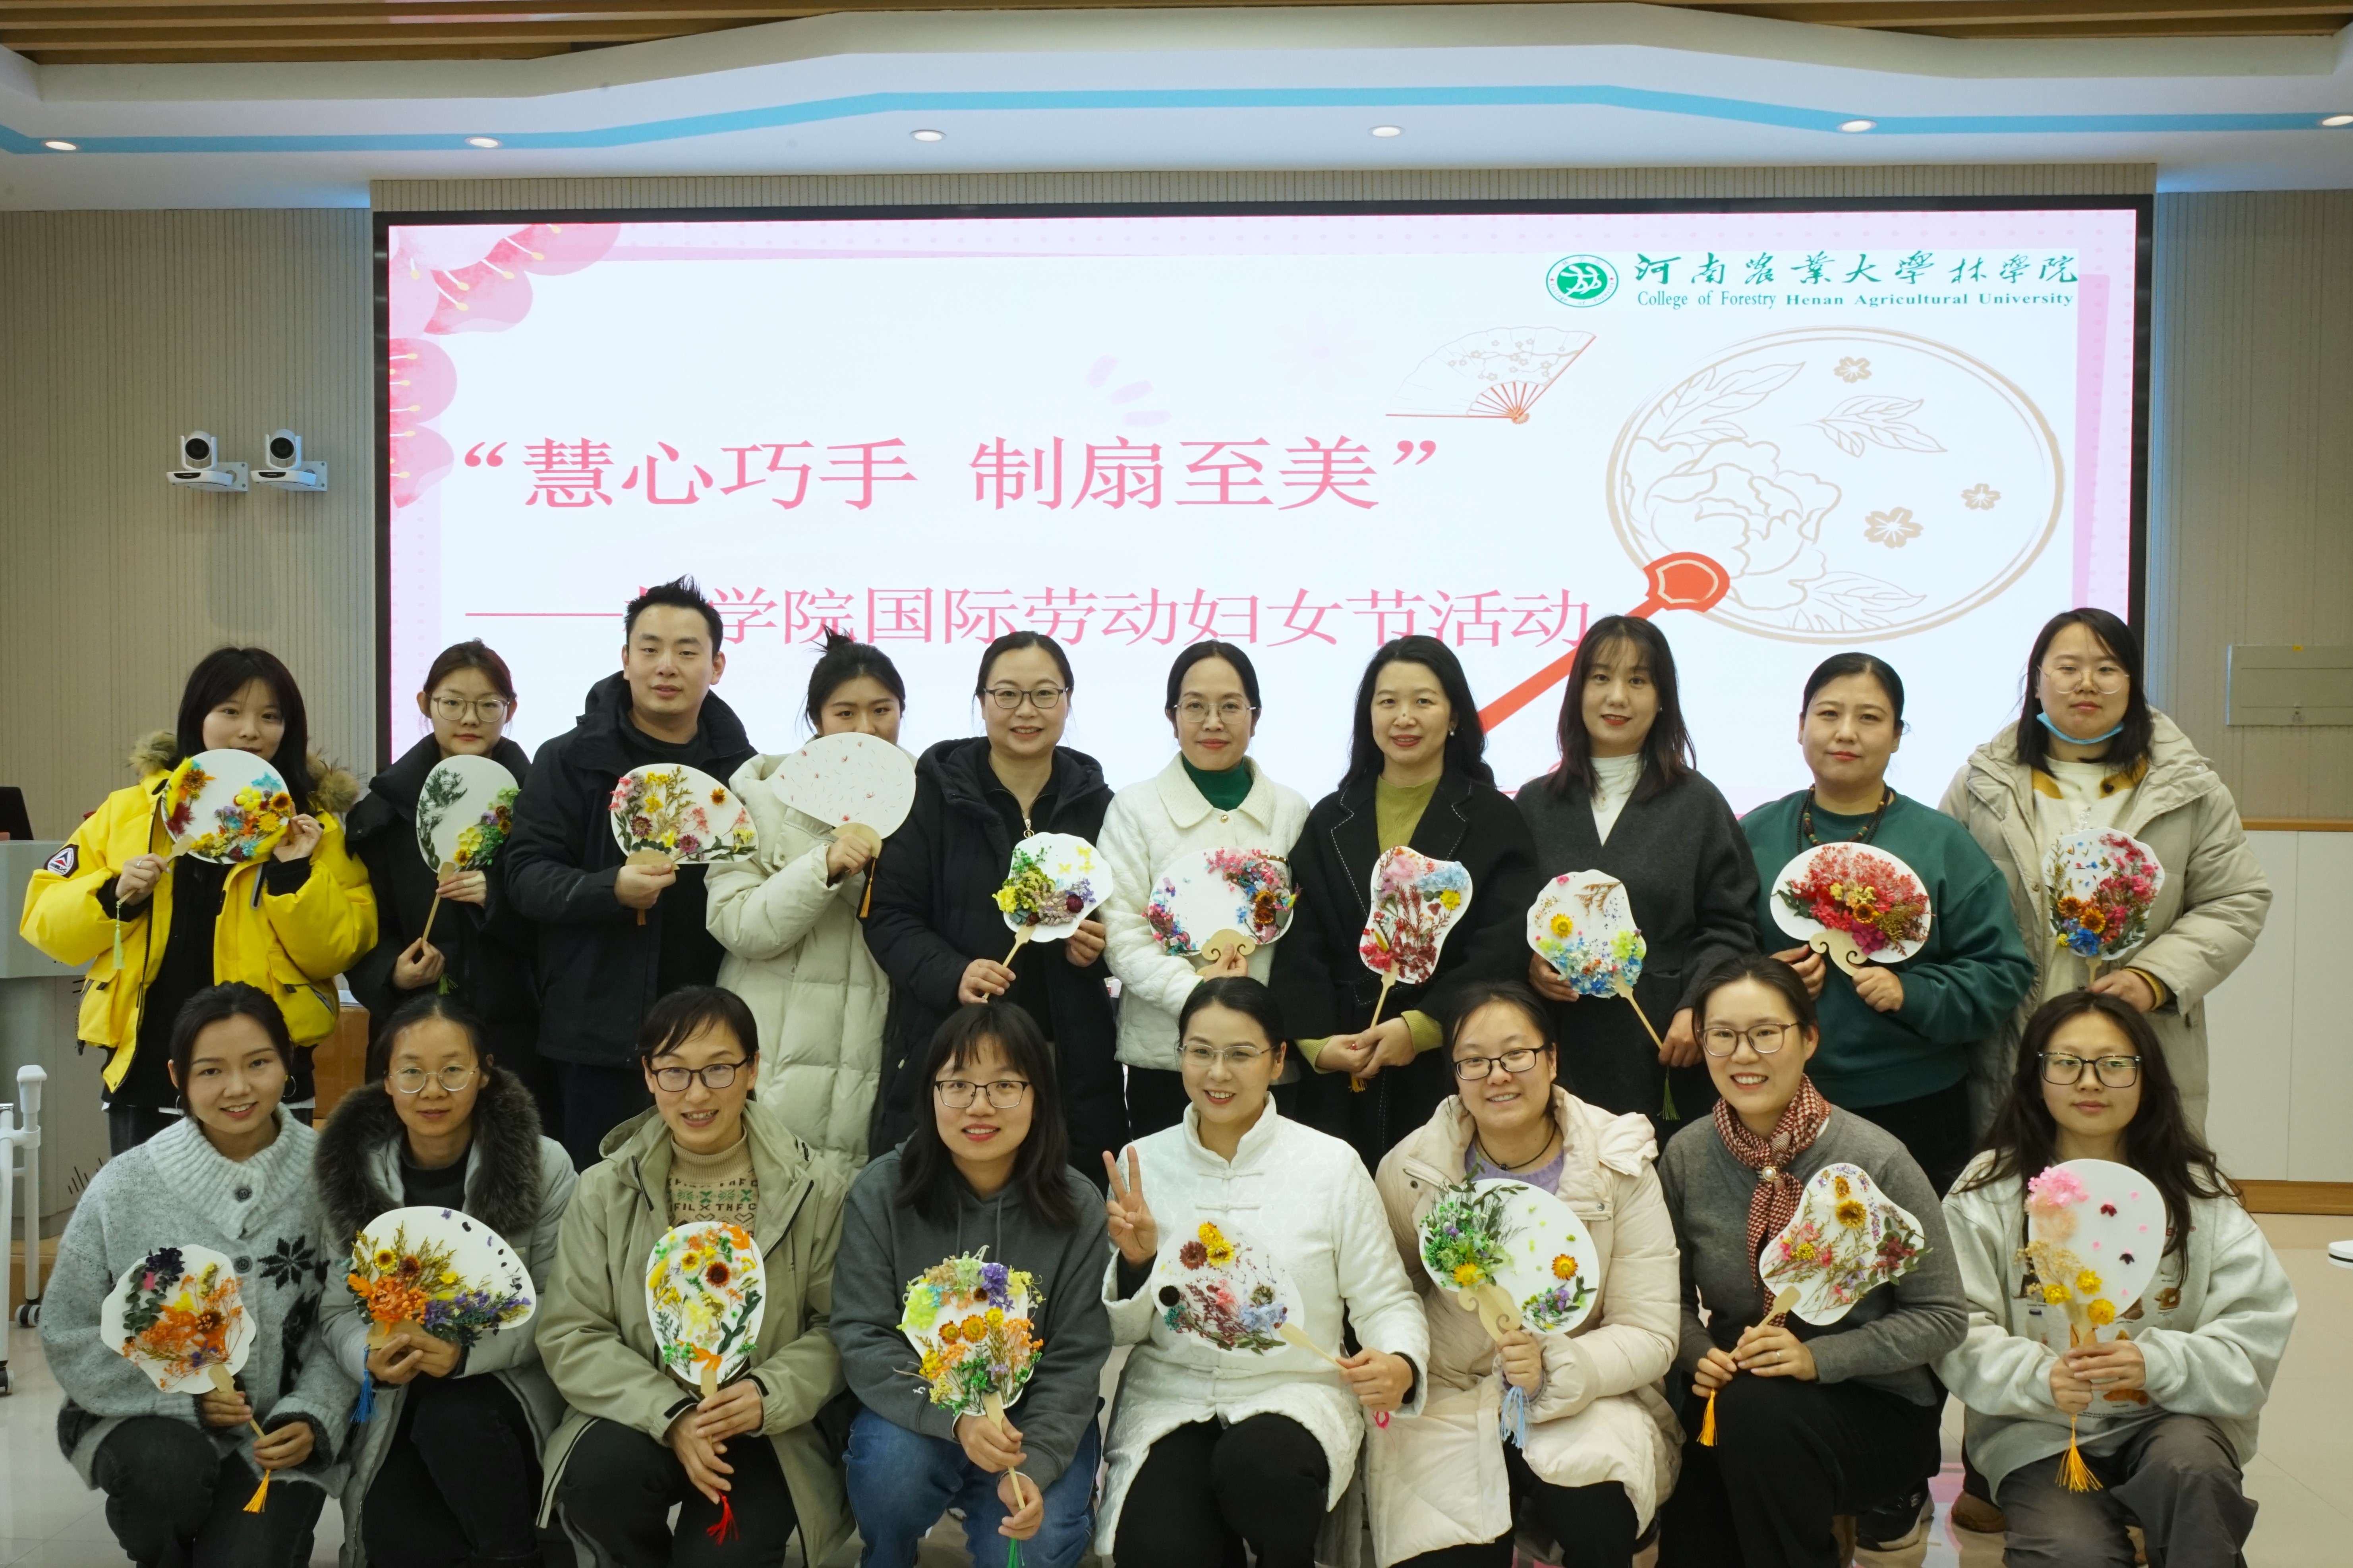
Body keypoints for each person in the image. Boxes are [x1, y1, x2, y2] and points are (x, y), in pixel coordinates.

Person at [1937, 990, 2293, 1560]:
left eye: (2114, 1064)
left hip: (2173, 1417)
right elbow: (1956, 1323)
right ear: (2034, 1077)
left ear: (2146, 1078)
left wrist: (2158, 1363)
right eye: (2065, 1062)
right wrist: (2039, 1377)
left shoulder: (2196, 1191)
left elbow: (2256, 1323)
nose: (2089, 1082)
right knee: (2069, 1551)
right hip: (2041, 1430)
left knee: (2194, 1477)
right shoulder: (1990, 1190)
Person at [1097, 977, 1428, 1568]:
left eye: (1240, 1054)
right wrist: (1136, 1262)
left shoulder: (1330, 1165)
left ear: (1277, 1061)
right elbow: (1123, 1332)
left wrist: (1400, 1361)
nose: (1217, 1073)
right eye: (1200, 1051)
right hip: (1173, 1393)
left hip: (1294, 1392)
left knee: (1261, 1474)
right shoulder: (1142, 1164)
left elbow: (1384, 1298)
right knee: (1159, 1551)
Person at [1655, 954, 1966, 1568]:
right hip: (1736, 1395)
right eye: (1722, 1036)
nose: (1743, 1055)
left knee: (1757, 1418)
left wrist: (1816, 1359)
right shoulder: (1687, 1155)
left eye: (1765, 1033)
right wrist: (1698, 1353)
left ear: (1808, 1039)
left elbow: (1941, 1316)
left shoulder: (1875, 1159)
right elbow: (1663, 1297)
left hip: (1871, 1402)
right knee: (1695, 1520)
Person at [41, 983, 358, 1568]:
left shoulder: (334, 1176)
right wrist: (184, 1403)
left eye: (258, 1063)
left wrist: (315, 1412)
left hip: (273, 1435)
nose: (238, 1088)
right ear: (177, 1076)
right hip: (142, 1419)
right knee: (164, 1473)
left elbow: (352, 1318)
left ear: (288, 1061)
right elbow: (69, 1329)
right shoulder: (125, 1185)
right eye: (211, 1071)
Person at [1370, 978, 1681, 1568]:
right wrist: (1400, 1361)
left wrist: (1559, 1368)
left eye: (1516, 1054)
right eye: (1473, 1061)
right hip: (1451, 1388)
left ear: (1552, 1060)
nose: (1497, 1075)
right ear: (1454, 1073)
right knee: (1440, 1548)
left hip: (1585, 1389)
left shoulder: (1617, 1163)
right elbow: (1388, 1292)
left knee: (1596, 1512)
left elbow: (1649, 1330)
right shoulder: (1414, 1167)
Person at [537, 985, 852, 1568]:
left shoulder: (816, 1189)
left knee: (721, 1557)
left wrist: (766, 1395)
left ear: (752, 1070)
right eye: (675, 1072)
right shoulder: (604, 1188)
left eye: (719, 1069)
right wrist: (671, 1415)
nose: (697, 1093)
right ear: (649, 1076)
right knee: (601, 1482)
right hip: (640, 1412)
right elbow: (572, 1332)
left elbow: (838, 1327)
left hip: (763, 1424)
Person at [19, 646, 375, 1152]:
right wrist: (115, 895)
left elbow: (337, 952)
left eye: (270, 716)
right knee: (146, 1205)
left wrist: (295, 874)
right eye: (230, 711)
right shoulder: (129, 812)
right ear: (197, 718)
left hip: (268, 1075)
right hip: (149, 1069)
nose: (250, 731)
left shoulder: (309, 826)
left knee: (271, 1205)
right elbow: (44, 921)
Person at [1941, 608, 2271, 1139]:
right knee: (2019, 1177)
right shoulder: (1980, 785)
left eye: (2107, 668)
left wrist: (2153, 979)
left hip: (2139, 1040)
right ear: (2036, 682)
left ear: (2132, 684)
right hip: (2011, 1039)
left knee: (2136, 1178)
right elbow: (1944, 902)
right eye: (2067, 668)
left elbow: (2235, 900)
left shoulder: (2189, 787)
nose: (2086, 684)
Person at [1738, 652, 2034, 1198]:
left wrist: (1911, 992)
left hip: (1914, 1103)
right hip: (1772, 1099)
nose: (1845, 733)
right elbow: (1714, 955)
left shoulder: (1941, 844)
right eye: (1828, 714)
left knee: (1912, 1249)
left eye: (1869, 718)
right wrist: (1760, 981)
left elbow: (2002, 972)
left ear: (1897, 736)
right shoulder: (1753, 835)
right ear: (1800, 726)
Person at [832, 1001, 1112, 1568]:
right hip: (919, 1409)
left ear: (1038, 1097)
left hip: (1028, 1423)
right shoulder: (882, 1190)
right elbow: (862, 1333)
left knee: (1035, 1546)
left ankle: (1056, 1501)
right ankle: (888, 1556)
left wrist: (1036, 1462)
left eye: (1005, 1086)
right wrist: (956, 1420)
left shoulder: (1078, 1205)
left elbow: (1076, 1357)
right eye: (957, 1085)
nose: (979, 1106)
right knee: (891, 1472)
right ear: (931, 1093)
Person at [316, 992, 578, 1568]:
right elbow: (335, 1312)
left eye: (453, 1070)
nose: (432, 1091)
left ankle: (516, 1556)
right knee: (399, 1544)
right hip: (399, 1399)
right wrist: (368, 1355)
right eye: (412, 1072)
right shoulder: (353, 1169)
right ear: (387, 1081)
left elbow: (564, 1305)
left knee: (455, 1421)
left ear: (485, 1073)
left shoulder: (545, 1164)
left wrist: (464, 1355)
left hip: (506, 1384)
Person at [506, 577, 757, 1168]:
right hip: (594, 1033)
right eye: (650, 649)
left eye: (687, 651)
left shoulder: (743, 772)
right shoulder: (568, 760)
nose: (666, 666)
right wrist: (609, 889)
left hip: (710, 1040)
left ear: (717, 666)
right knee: (599, 1194)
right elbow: (525, 876)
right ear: (625, 660)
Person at [1270, 635, 1541, 1168]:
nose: (1404, 717)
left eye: (1423, 701)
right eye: (1387, 701)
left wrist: (1421, 1028)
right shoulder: (1329, 818)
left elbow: (1503, 944)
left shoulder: (1493, 819)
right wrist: (1316, 1043)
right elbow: (1301, 941)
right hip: (1342, 1064)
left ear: (1454, 716)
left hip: (1450, 1062)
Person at [864, 630, 1126, 1170]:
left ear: (1068, 700)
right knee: (943, 1201)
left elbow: (1128, 921)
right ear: (981, 702)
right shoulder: (929, 796)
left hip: (1066, 1060)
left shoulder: (1102, 808)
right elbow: (889, 915)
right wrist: (953, 973)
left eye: (1044, 694)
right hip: (953, 1050)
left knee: (1063, 1199)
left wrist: (1097, 950)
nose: (1025, 711)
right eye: (1007, 694)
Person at [1515, 616, 1759, 1135]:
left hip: (1666, 1047)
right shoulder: (1534, 804)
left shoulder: (1697, 803)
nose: (1617, 697)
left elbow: (1730, 925)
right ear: (1577, 691)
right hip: (1557, 1047)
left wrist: (1698, 1006)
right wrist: (1530, 963)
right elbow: (1507, 919)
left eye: (1638, 680)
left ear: (1662, 698)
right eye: (1600, 678)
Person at [708, 630, 908, 1168]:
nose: (865, 729)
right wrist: (824, 864)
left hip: (875, 1053)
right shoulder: (758, 798)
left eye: (882, 711)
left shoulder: (926, 800)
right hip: (772, 1054)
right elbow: (736, 924)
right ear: (816, 719)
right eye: (845, 713)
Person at [1100, 641, 1311, 1138]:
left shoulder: (1292, 811)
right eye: (1195, 706)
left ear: (1255, 717)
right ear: (1172, 717)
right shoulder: (1135, 809)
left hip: (1267, 1061)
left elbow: (1307, 936)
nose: (1212, 722)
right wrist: (1199, 996)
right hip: (1169, 1059)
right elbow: (1123, 936)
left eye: (1231, 706)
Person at [346, 639, 552, 1135]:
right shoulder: (384, 811)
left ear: (511, 710)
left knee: (510, 1162)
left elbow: (561, 927)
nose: (470, 719)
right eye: (453, 703)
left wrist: (497, 901)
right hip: (412, 1032)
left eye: (488, 705)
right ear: (425, 704)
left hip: (515, 1033)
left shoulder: (542, 808)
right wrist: (393, 973)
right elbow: (361, 926)